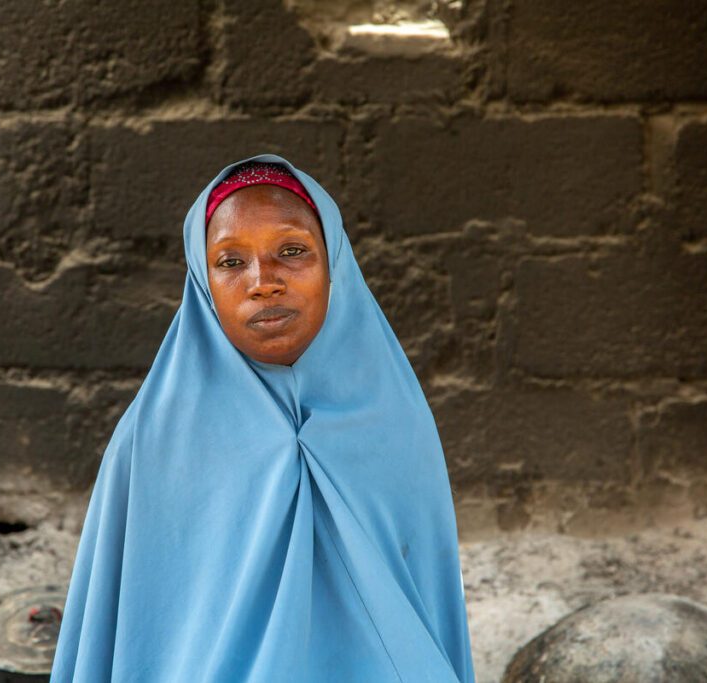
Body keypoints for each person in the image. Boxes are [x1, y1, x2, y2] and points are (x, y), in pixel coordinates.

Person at [50, 154, 476, 682]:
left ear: (335, 263)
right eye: (230, 261)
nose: (263, 281)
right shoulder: (151, 444)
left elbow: (429, 611)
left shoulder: (396, 424)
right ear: (202, 284)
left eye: (292, 251)